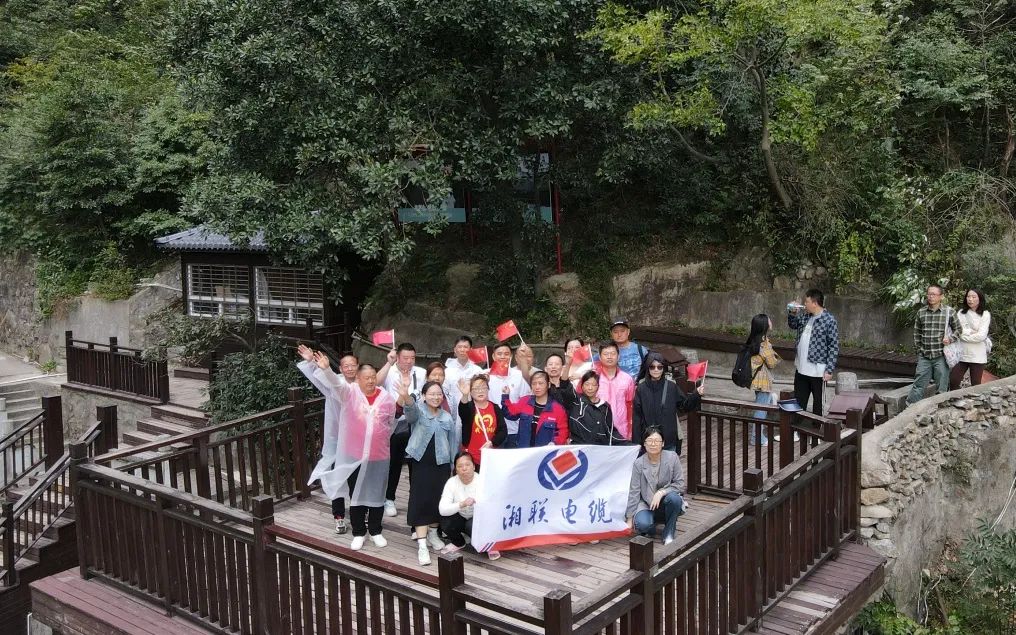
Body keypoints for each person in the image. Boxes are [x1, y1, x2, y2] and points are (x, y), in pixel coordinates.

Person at [312, 352, 397, 551]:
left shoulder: (386, 398)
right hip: (354, 455)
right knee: (356, 494)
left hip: (379, 455)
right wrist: (326, 369)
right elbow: (336, 385)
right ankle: (359, 532)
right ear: (358, 379)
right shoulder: (350, 393)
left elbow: (390, 423)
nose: (371, 381)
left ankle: (375, 530)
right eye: (366, 378)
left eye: (373, 377)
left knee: (377, 493)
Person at [296, 345, 359, 534]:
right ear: (340, 368)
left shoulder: (364, 384)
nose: (349, 368)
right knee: (336, 476)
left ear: (358, 366)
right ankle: (339, 516)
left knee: (357, 477)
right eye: (346, 366)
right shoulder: (334, 382)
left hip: (357, 439)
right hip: (337, 438)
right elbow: (320, 377)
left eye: (353, 365)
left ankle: (359, 512)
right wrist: (311, 362)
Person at [397, 381, 456, 566]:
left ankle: (433, 533)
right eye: (431, 393)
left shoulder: (447, 417)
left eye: (439, 394)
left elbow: (453, 442)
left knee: (438, 499)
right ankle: (422, 545)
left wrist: (453, 465)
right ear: (423, 395)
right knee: (421, 501)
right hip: (420, 463)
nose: (436, 397)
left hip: (442, 464)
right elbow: (410, 413)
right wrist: (406, 395)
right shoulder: (419, 411)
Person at [377, 343, 427, 517]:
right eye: (405, 358)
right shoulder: (389, 371)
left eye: (412, 358)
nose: (409, 361)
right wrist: (389, 363)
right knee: (394, 463)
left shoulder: (421, 372)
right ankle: (389, 498)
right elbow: (376, 382)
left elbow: (425, 393)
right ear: (398, 357)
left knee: (415, 461)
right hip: (394, 422)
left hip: (416, 422)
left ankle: (416, 498)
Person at [632, 352, 703, 454]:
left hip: (668, 439)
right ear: (647, 368)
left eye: (659, 367)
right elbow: (637, 418)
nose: (656, 370)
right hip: (648, 441)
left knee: (669, 463)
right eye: (652, 367)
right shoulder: (641, 389)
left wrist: (696, 394)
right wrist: (637, 443)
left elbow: (684, 406)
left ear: (663, 368)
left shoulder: (671, 386)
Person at [626, 427, 685, 545]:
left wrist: (661, 492)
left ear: (662, 443)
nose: (653, 444)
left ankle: (669, 533)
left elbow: (680, 484)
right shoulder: (638, 463)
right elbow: (634, 491)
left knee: (675, 499)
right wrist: (629, 518)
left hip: (665, 500)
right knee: (642, 524)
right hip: (646, 503)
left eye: (657, 441)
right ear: (644, 443)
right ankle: (651, 527)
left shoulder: (672, 457)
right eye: (649, 441)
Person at [438, 451, 499, 560]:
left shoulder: (482, 481)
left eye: (467, 465)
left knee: (472, 526)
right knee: (445, 521)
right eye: (460, 466)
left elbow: (493, 506)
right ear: (456, 469)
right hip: (461, 516)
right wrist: (462, 504)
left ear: (474, 466)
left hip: (479, 519)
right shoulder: (451, 482)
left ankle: (489, 544)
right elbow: (442, 509)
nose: (464, 468)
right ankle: (459, 542)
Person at [907, 285, 962, 405]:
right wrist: (919, 349)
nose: (930, 297)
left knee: (941, 386)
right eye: (929, 294)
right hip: (924, 355)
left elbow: (959, 330)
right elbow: (917, 333)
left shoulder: (949, 312)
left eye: (934, 294)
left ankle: (940, 409)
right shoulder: (921, 312)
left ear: (941, 296)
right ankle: (910, 408)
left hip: (941, 355)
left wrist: (950, 339)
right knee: (918, 384)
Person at [787, 289, 839, 415]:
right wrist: (792, 312)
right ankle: (797, 425)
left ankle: (817, 426)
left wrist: (829, 369)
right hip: (801, 368)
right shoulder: (805, 316)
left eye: (807, 301)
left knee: (818, 403)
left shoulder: (829, 320)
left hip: (818, 370)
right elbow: (793, 325)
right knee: (799, 400)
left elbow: (833, 346)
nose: (804, 304)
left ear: (815, 303)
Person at [502, 371, 570, 447]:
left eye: (541, 383)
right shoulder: (525, 401)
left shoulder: (558, 409)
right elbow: (510, 414)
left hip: (544, 452)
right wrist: (505, 396)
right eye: (534, 384)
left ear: (548, 385)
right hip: (523, 450)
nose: (537, 387)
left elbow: (563, 431)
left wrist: (555, 443)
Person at [485, 343, 532, 448]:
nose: (503, 356)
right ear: (493, 356)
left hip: (514, 430)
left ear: (511, 356)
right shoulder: (485, 375)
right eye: (499, 354)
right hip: (492, 429)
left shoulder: (518, 375)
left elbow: (526, 400)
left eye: (506, 354)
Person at [457, 375, 508, 468]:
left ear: (488, 390)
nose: (480, 391)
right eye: (476, 389)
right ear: (471, 392)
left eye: (483, 388)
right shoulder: (469, 407)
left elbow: (503, 430)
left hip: (490, 457)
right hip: (471, 459)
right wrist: (464, 395)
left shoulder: (495, 407)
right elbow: (463, 411)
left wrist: (492, 442)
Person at [746, 314, 780, 445]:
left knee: (762, 404)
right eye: (769, 320)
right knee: (761, 410)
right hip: (763, 381)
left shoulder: (753, 339)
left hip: (756, 379)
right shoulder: (764, 344)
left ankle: (771, 399)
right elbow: (772, 363)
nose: (771, 321)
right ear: (764, 325)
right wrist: (775, 357)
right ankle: (756, 438)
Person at [443, 336, 484, 446]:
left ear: (471, 349)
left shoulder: (478, 371)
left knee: (472, 442)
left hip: (473, 411)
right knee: (453, 444)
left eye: (465, 347)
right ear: (455, 350)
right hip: (453, 412)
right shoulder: (447, 372)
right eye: (459, 347)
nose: (462, 350)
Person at [569, 370, 626, 445]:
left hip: (600, 448)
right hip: (579, 448)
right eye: (587, 384)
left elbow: (610, 431)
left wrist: (627, 444)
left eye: (594, 385)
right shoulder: (575, 401)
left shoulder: (605, 406)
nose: (590, 388)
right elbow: (564, 386)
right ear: (582, 386)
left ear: (598, 387)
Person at [950, 288, 990, 390]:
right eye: (968, 296)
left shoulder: (985, 314)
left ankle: (974, 401)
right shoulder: (961, 313)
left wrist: (963, 334)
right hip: (961, 354)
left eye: (973, 297)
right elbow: (957, 330)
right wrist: (970, 332)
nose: (970, 299)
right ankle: (955, 399)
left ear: (980, 299)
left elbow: (981, 336)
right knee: (953, 381)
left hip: (977, 355)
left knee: (975, 385)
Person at [596, 342, 637, 441]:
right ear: (600, 357)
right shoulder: (593, 378)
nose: (609, 357)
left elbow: (631, 406)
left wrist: (630, 431)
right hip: (598, 430)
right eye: (606, 354)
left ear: (618, 356)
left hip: (621, 431)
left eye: (613, 353)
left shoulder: (627, 379)